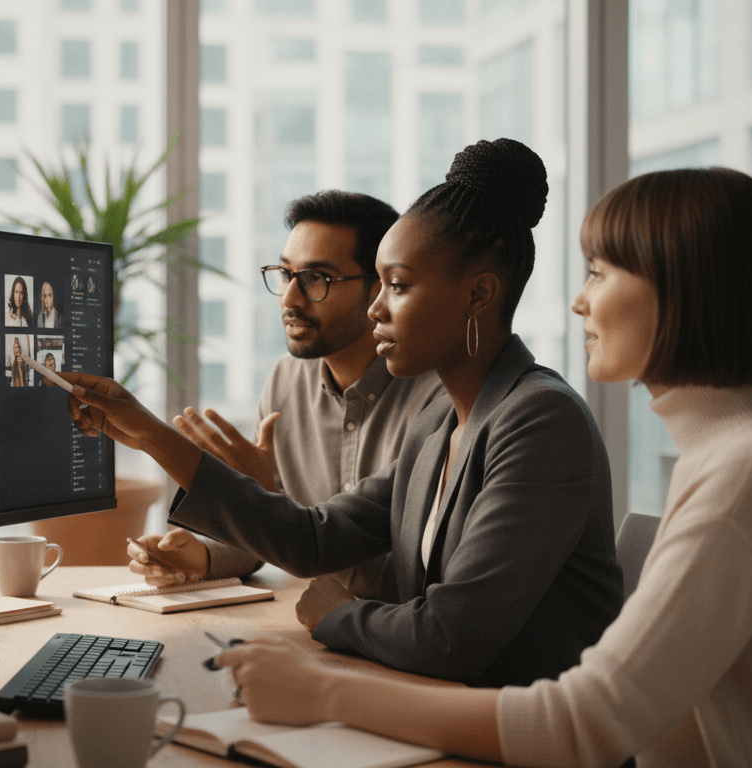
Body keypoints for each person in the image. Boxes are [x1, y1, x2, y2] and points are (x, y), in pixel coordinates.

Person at [214, 168, 752, 767]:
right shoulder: (739, 451)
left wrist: (324, 691)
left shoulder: (745, 470)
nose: (580, 302)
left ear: (687, 288)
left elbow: (584, 722)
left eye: (600, 273)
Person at [60, 139, 623, 687]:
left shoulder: (540, 421)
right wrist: (151, 435)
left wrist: (335, 614)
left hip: (512, 741)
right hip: (441, 710)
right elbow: (315, 539)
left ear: (479, 295)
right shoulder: (443, 423)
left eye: (397, 286)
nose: (376, 306)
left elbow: (450, 637)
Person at [128, 191, 443, 601]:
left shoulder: (438, 400)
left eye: (317, 279)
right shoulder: (286, 380)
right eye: (284, 274)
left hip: (393, 641)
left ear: (377, 289)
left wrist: (263, 499)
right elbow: (275, 534)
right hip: (314, 630)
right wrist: (201, 556)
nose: (290, 299)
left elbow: (329, 544)